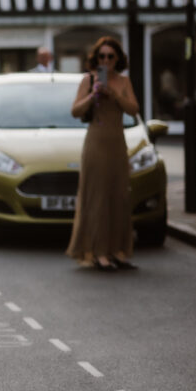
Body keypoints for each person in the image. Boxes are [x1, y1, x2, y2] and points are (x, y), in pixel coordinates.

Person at [67, 37, 140, 271]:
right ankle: (98, 253)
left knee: (119, 197)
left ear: (117, 59)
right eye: (102, 56)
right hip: (96, 145)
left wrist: (115, 95)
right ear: (96, 59)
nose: (106, 61)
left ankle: (118, 250)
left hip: (117, 144)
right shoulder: (88, 80)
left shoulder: (124, 81)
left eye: (110, 56)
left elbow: (134, 109)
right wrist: (93, 95)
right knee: (97, 198)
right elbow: (75, 111)